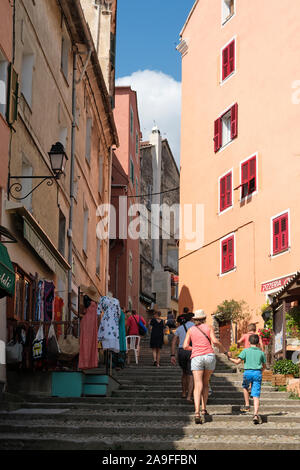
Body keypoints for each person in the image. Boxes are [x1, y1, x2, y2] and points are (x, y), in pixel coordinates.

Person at [183, 309, 227, 424]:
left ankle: (196, 412)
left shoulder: (191, 329)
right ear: (204, 318)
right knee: (206, 383)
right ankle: (204, 409)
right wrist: (224, 351)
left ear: (195, 320)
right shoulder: (209, 328)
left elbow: (185, 346)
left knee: (198, 384)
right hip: (209, 356)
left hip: (197, 357)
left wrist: (195, 349)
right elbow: (214, 341)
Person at [227, 334, 266, 424]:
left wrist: (230, 358)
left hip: (247, 373)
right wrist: (261, 371)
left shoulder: (245, 351)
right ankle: (255, 414)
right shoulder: (261, 352)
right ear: (258, 343)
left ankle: (247, 404)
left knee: (245, 387)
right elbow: (264, 366)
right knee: (256, 395)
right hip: (257, 373)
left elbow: (237, 362)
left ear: (249, 342)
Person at [171, 313, 194, 402]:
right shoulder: (194, 326)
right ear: (191, 319)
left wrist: (172, 355)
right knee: (191, 374)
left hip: (181, 351)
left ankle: (183, 392)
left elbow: (173, 342)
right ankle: (189, 395)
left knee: (184, 373)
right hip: (191, 350)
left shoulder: (179, 328)